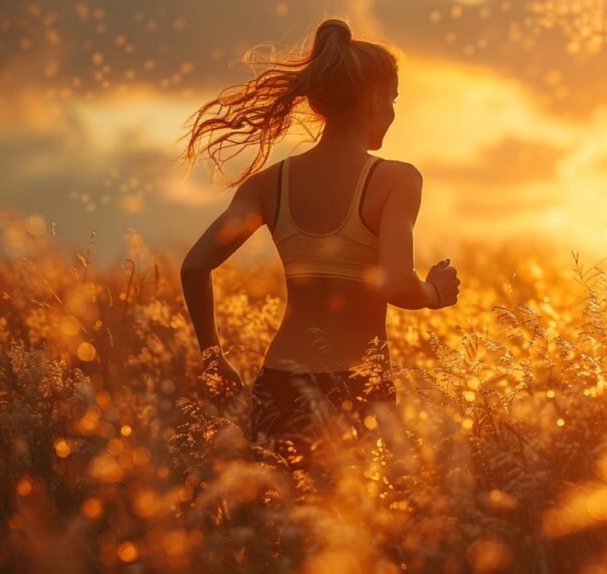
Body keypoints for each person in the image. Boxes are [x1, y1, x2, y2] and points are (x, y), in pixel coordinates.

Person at [177, 18, 460, 472]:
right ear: (372, 99)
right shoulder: (396, 180)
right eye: (391, 100)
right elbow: (395, 285)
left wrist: (213, 358)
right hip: (359, 387)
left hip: (280, 385)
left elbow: (194, 268)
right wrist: (434, 293)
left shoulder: (268, 186)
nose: (391, 112)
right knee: (355, 531)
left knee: (282, 526)